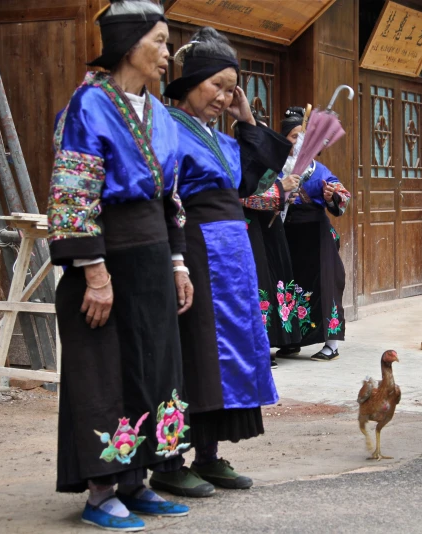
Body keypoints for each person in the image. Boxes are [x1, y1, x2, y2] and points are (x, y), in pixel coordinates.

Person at [47, 1, 192, 530]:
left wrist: (178, 263)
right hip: (108, 259)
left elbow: (170, 196)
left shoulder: (159, 112)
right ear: (130, 44)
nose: (166, 52)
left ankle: (139, 480)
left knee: (152, 367)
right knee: (105, 373)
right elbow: (73, 195)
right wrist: (94, 272)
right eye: (159, 40)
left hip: (153, 259)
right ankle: (102, 491)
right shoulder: (88, 105)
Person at [149, 27, 291, 497]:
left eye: (232, 89)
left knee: (223, 359)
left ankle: (208, 453)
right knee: (192, 354)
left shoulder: (220, 137)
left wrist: (245, 115)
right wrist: (176, 261)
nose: (225, 97)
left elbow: (258, 179)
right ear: (189, 82)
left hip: (232, 256)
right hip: (193, 248)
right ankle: (169, 459)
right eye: (218, 86)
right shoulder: (166, 125)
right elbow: (164, 194)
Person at [275, 106, 351, 362]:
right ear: (283, 139)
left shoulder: (319, 170)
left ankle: (331, 344)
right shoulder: (275, 168)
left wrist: (332, 195)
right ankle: (291, 340)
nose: (299, 142)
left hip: (316, 235)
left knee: (326, 285)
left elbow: (342, 195)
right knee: (287, 286)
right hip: (285, 235)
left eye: (303, 137)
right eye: (294, 136)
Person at [241, 112, 303, 369]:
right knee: (258, 282)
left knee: (276, 277)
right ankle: (260, 343)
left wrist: (284, 193)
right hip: (247, 227)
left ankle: (281, 337)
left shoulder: (268, 162)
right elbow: (243, 196)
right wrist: (279, 188)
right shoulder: (239, 160)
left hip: (269, 227)